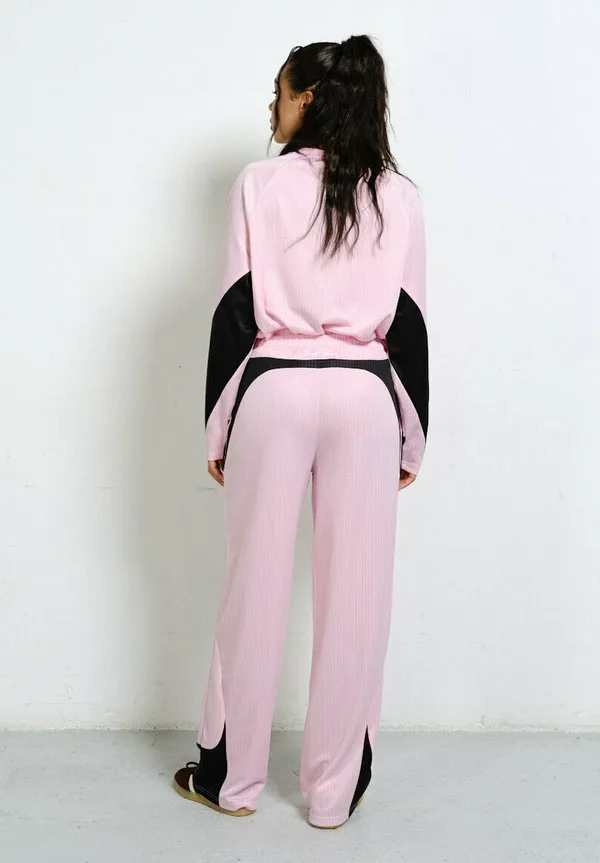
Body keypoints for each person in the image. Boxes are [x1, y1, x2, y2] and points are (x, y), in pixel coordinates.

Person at [173, 34, 429, 830]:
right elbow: (409, 324)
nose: (272, 104)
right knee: (358, 596)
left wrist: (218, 430)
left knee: (251, 585)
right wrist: (411, 437)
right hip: (364, 397)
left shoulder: (259, 185)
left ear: (309, 99)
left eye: (280, 90)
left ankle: (231, 779)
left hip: (275, 389)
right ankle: (331, 793)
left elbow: (235, 309)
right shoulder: (399, 195)